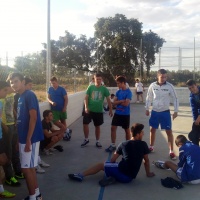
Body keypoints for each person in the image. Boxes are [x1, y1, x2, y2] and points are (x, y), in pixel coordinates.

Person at [68, 123, 155, 186]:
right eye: (142, 132)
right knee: (114, 166)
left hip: (123, 175)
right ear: (138, 134)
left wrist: (108, 164)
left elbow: (113, 160)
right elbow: (146, 161)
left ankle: (80, 175)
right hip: (130, 178)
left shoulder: (123, 144)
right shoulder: (143, 144)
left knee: (101, 165)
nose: (143, 134)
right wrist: (148, 173)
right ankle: (112, 176)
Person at [7, 73, 44, 200]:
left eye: (16, 81)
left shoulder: (29, 95)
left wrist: (28, 139)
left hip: (30, 138)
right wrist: (19, 139)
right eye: (12, 83)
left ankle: (33, 197)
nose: (13, 84)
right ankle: (37, 194)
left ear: (23, 81)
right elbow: (20, 119)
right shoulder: (20, 97)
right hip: (23, 138)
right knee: (30, 168)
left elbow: (33, 118)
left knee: (26, 169)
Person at [145, 69, 179, 160]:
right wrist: (147, 108)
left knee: (169, 132)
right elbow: (149, 97)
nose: (163, 78)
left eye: (165, 77)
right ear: (158, 76)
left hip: (165, 112)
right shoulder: (152, 85)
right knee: (152, 129)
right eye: (162, 77)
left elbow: (175, 98)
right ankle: (151, 147)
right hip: (155, 112)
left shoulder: (170, 86)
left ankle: (171, 151)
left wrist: (176, 111)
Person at [81, 73, 113, 148]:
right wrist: (86, 107)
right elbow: (86, 98)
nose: (98, 80)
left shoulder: (104, 89)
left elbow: (108, 100)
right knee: (85, 124)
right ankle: (86, 139)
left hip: (98, 110)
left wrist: (111, 110)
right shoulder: (90, 87)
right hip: (89, 109)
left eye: (100, 79)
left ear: (101, 80)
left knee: (97, 126)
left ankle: (97, 141)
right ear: (94, 79)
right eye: (97, 79)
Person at [1, 84, 22, 187]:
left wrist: (16, 119)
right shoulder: (2, 98)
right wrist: (5, 127)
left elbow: (12, 108)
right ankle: (9, 177)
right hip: (6, 128)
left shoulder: (11, 95)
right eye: (10, 86)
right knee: (8, 152)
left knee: (14, 149)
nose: (13, 87)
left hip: (13, 125)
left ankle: (17, 172)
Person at [105, 76, 132, 152]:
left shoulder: (129, 92)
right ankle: (113, 145)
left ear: (123, 83)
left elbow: (126, 104)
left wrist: (118, 102)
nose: (117, 85)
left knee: (126, 130)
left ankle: (128, 146)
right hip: (117, 113)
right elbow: (113, 103)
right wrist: (121, 101)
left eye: (118, 83)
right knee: (113, 128)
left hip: (125, 114)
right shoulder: (118, 92)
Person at [0, 81, 16, 198]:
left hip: (0, 137)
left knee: (3, 160)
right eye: (5, 90)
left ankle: (1, 189)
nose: (7, 92)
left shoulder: (1, 103)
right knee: (3, 160)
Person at [186, 79, 200, 145]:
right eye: (190, 88)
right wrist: (195, 120)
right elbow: (194, 109)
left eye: (193, 87)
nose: (192, 89)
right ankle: (196, 151)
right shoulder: (191, 97)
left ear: (196, 85)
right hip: (198, 118)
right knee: (194, 136)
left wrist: (199, 117)